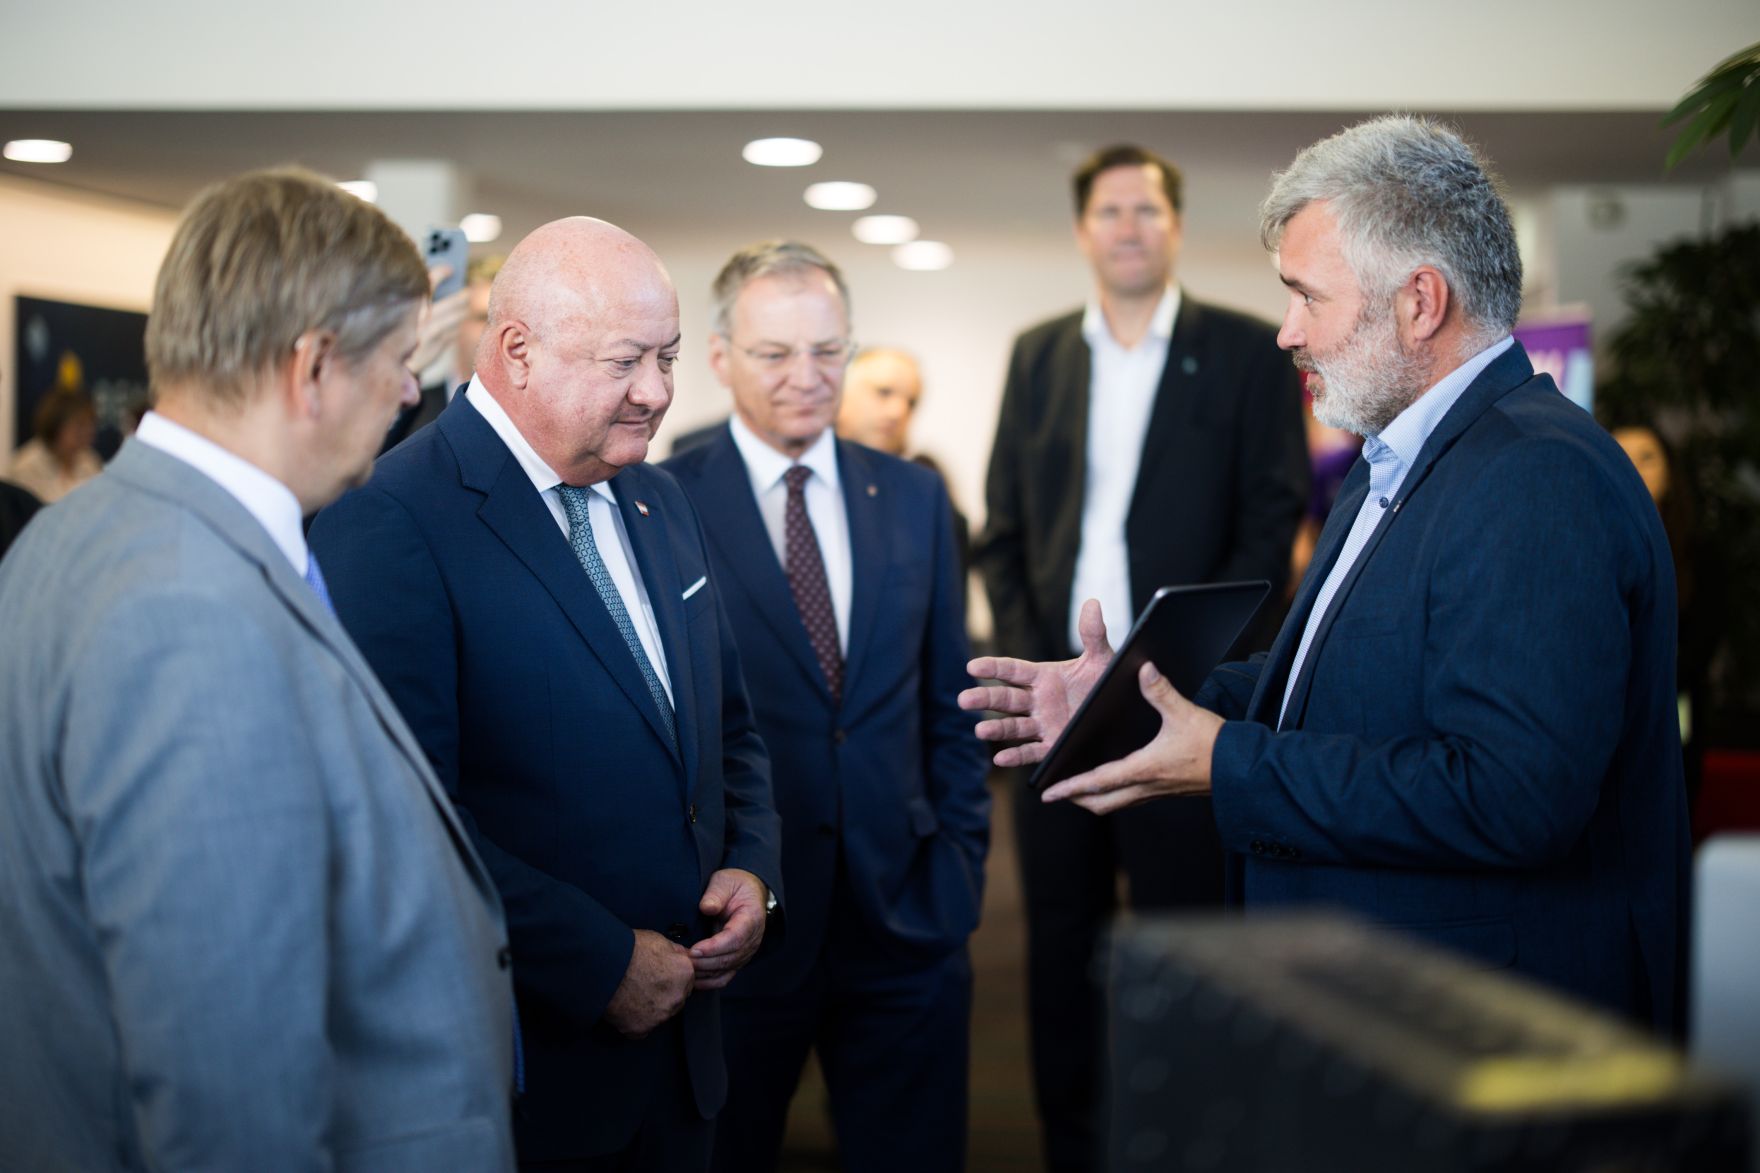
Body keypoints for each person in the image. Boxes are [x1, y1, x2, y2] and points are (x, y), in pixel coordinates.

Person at [963, 115, 1689, 1039]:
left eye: (1308, 297)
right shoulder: (1397, 460)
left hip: (1496, 1032)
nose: (1286, 333)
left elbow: (1511, 795)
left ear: (1419, 301)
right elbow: (1319, 685)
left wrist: (1225, 761)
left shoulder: (1536, 476)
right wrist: (1135, 696)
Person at [0, 167, 516, 1171]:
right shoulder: (188, 614)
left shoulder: (69, 538)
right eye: (402, 359)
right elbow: (228, 1086)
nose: (412, 392)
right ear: (313, 367)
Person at [308, 216, 784, 1171]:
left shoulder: (657, 496)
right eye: (625, 362)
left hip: (684, 1072)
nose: (657, 392)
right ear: (516, 351)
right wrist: (598, 961)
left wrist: (753, 865)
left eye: (670, 357)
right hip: (532, 1077)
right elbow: (405, 823)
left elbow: (728, 728)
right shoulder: (391, 517)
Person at [973, 142, 1308, 1170]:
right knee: (1060, 948)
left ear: (1173, 226)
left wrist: (1193, 675)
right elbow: (1004, 527)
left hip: (1183, 705)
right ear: (1082, 230)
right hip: (1057, 709)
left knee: (1187, 942)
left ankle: (1189, 1144)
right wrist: (1044, 661)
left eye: (1146, 210)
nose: (1127, 226)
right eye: (1109, 210)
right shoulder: (1037, 355)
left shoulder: (1246, 350)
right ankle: (1072, 1146)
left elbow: (1268, 522)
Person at [663, 242, 988, 1173]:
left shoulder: (917, 497)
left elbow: (948, 696)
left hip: (909, 914)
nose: (808, 378)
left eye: (830, 350)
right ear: (721, 356)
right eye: (774, 354)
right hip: (738, 920)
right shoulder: (663, 500)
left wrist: (960, 867)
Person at [837, 346, 972, 573]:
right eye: (883, 392)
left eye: (911, 402)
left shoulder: (926, 486)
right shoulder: (803, 476)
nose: (898, 411)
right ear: (839, 393)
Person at [5, 384, 102, 502]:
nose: (88, 432)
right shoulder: (25, 468)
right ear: (55, 425)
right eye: (80, 425)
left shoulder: (90, 462)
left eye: (91, 425)